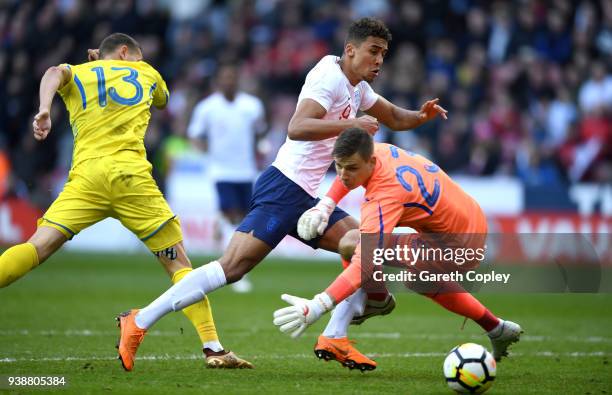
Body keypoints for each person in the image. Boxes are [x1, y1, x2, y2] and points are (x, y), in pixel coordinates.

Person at [114, 18, 447, 371]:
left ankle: (336, 337)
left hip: (307, 196)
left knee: (362, 244)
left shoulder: (357, 88)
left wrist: (420, 116)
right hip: (284, 187)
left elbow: (394, 116)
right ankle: (138, 321)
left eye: (384, 54)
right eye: (373, 52)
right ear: (350, 50)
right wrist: (351, 124)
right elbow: (297, 127)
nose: (379, 60)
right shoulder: (329, 78)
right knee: (232, 268)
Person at [0, 33, 251, 370]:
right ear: (125, 52)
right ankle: (213, 348)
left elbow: (51, 74)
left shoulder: (78, 72)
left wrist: (46, 109)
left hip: (87, 180)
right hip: (132, 182)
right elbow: (162, 100)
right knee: (179, 266)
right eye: (137, 55)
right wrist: (126, 66)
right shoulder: (146, 72)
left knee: (37, 247)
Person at [273, 128, 522, 366]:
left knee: (353, 243)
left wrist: (319, 305)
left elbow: (365, 262)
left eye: (351, 168)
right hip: (469, 218)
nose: (343, 174)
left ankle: (376, 301)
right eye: (338, 166)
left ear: (370, 163)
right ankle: (496, 328)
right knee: (416, 277)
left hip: (457, 243)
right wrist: (325, 206)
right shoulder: (376, 151)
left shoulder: (384, 194)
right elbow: (347, 169)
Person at [187, 62, 267, 293]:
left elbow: (260, 131)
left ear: (237, 79)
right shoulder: (207, 107)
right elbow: (194, 134)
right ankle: (231, 270)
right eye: (225, 77)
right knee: (231, 215)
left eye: (232, 77)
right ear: (218, 81)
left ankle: (227, 251)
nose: (229, 81)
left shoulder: (252, 106)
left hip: (246, 170)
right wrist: (203, 151)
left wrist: (259, 145)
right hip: (221, 170)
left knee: (243, 219)